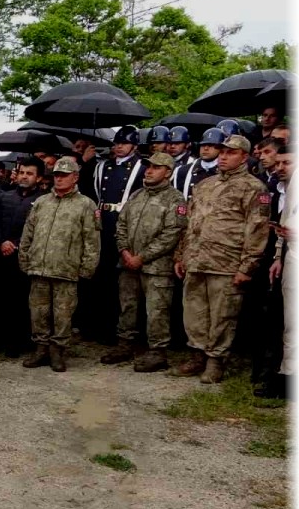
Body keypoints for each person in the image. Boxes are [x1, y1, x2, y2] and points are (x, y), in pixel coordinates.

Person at [171, 135, 270, 384]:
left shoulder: (254, 188)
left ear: (244, 157)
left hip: (226, 261)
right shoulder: (205, 184)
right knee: (194, 312)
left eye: (230, 153)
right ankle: (196, 354)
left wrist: (248, 266)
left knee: (222, 315)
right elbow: (190, 223)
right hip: (196, 259)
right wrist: (181, 254)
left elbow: (257, 229)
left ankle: (216, 360)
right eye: (222, 152)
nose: (224, 156)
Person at [101, 153, 188, 372]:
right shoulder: (137, 195)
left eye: (156, 167)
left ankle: (157, 352)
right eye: (148, 166)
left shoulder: (175, 199)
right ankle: (125, 345)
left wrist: (143, 257)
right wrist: (125, 252)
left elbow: (172, 234)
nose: (149, 171)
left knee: (157, 310)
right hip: (128, 263)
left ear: (167, 172)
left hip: (157, 268)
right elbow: (121, 226)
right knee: (127, 306)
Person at [19, 158, 101, 372]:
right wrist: (24, 258)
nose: (60, 178)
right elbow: (28, 232)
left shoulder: (86, 205)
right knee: (38, 312)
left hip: (66, 270)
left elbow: (92, 240)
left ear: (75, 177)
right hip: (39, 267)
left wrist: (87, 268)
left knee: (63, 314)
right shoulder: (42, 202)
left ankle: (58, 351)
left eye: (64, 175)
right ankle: (41, 349)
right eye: (57, 174)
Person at [80, 124, 144, 346]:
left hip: (125, 222)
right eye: (116, 143)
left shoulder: (141, 168)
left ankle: (117, 329)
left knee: (120, 280)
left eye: (124, 143)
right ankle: (95, 326)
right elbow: (89, 190)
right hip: (103, 222)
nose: (118, 147)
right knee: (99, 274)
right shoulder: (103, 166)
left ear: (134, 146)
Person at [0, 157, 46, 357]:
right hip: (0, 255)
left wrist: (18, 245)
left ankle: (18, 342)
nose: (24, 176)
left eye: (29, 174)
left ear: (38, 178)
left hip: (25, 258)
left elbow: (41, 230)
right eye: (21, 172)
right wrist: (2, 242)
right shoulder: (5, 196)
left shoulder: (43, 201)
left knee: (20, 302)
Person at [253, 146, 290, 398]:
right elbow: (282, 226)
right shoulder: (284, 190)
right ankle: (277, 374)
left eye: (286, 162)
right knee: (280, 321)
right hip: (286, 260)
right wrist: (278, 256)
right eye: (278, 164)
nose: (279, 167)